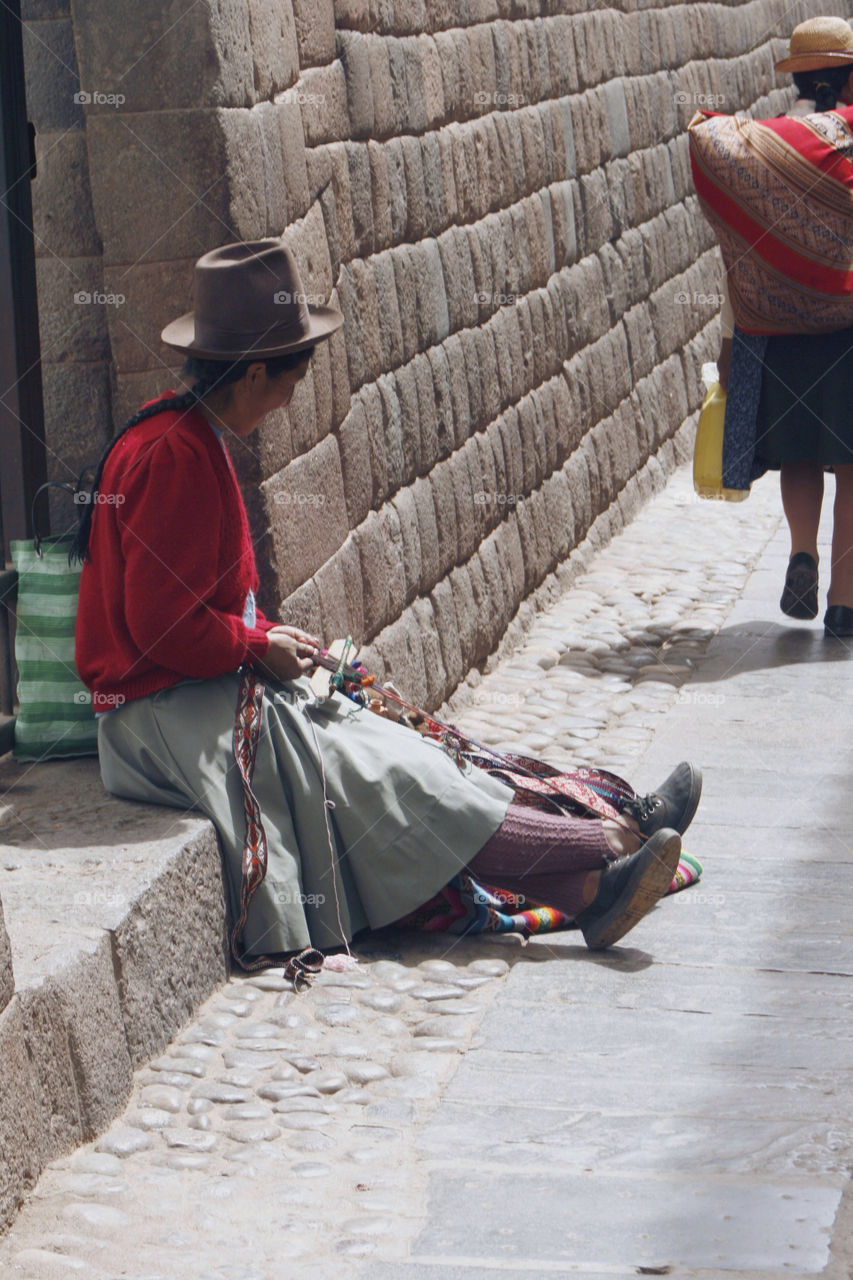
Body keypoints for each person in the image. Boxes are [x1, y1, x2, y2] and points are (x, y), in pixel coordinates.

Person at [73, 238, 701, 964]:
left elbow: (200, 606)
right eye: (291, 380)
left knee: (404, 747)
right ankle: (607, 842)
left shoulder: (187, 438)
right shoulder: (172, 457)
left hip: (197, 688)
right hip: (160, 717)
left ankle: (594, 879)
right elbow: (156, 630)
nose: (290, 397)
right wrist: (255, 648)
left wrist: (273, 637)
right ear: (251, 374)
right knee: (378, 774)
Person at [717, 16, 853, 638]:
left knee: (800, 450)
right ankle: (845, 601)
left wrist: (729, 332)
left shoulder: (764, 143)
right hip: (847, 331)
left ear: (796, 76)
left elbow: (739, 246)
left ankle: (803, 550)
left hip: (780, 326)